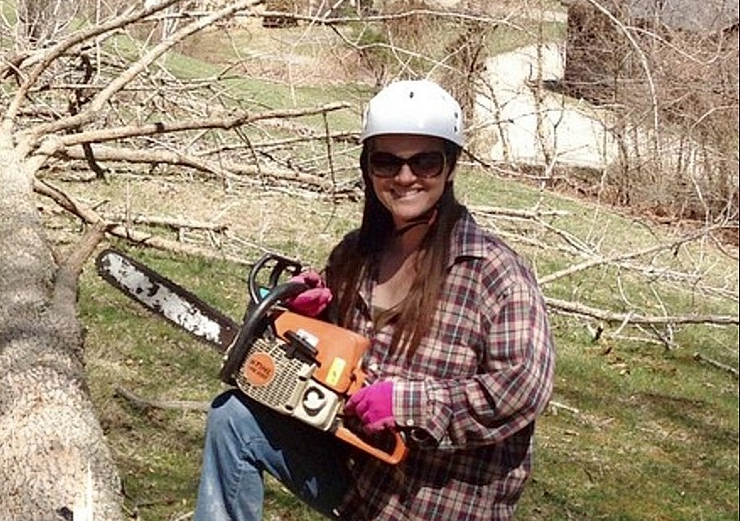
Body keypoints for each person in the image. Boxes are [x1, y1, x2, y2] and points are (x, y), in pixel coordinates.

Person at [193, 79, 556, 521]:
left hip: (442, 506)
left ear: (451, 166)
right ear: (368, 168)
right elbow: (322, 366)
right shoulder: (354, 255)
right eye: (387, 162)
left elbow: (524, 387)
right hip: (361, 484)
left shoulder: (493, 272)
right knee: (234, 421)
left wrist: (407, 404)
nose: (405, 177)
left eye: (425, 161)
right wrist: (306, 316)